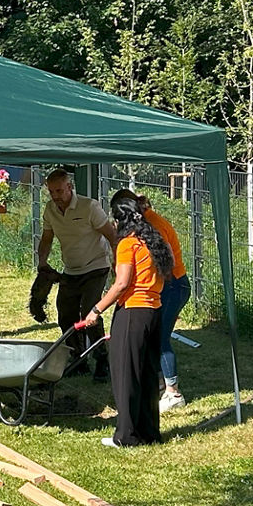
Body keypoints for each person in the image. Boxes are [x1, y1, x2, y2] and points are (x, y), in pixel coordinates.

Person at [82, 190, 174, 447]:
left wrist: (96, 310)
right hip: (154, 312)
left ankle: (126, 436)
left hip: (132, 313)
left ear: (118, 220)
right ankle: (149, 432)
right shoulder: (153, 238)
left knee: (125, 376)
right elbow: (170, 266)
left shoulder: (128, 244)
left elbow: (121, 284)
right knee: (146, 375)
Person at [37, 169, 117, 380]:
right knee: (65, 314)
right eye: (51, 191)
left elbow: (111, 235)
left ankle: (102, 361)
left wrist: (118, 263)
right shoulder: (50, 209)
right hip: (71, 270)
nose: (55, 196)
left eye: (59, 191)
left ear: (70, 187)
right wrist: (42, 263)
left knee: (91, 312)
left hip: (96, 266)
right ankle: (78, 359)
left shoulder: (89, 206)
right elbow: (46, 239)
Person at [131, 193, 191, 411]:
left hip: (174, 285)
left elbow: (168, 260)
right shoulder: (147, 221)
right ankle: (159, 384)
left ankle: (174, 394)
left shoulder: (153, 224)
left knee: (160, 339)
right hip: (171, 286)